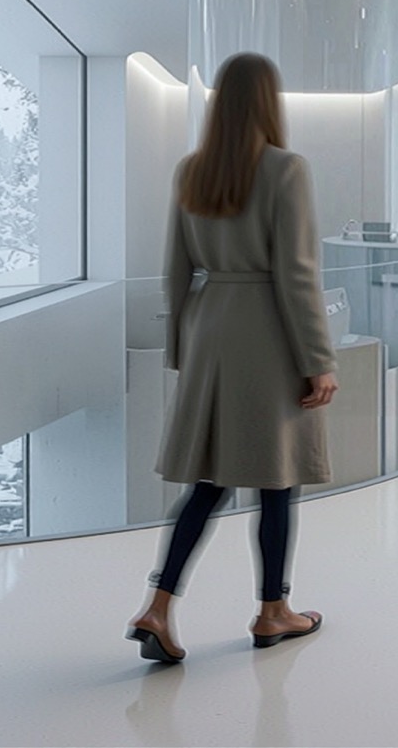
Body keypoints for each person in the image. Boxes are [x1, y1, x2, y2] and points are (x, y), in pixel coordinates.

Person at [126, 52, 338, 664]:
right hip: (267, 333)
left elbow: (174, 268)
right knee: (278, 479)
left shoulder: (192, 170)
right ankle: (273, 611)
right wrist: (318, 358)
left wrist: (181, 350)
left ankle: (158, 606)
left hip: (210, 329)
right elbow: (297, 272)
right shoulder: (286, 169)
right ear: (269, 101)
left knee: (209, 480)